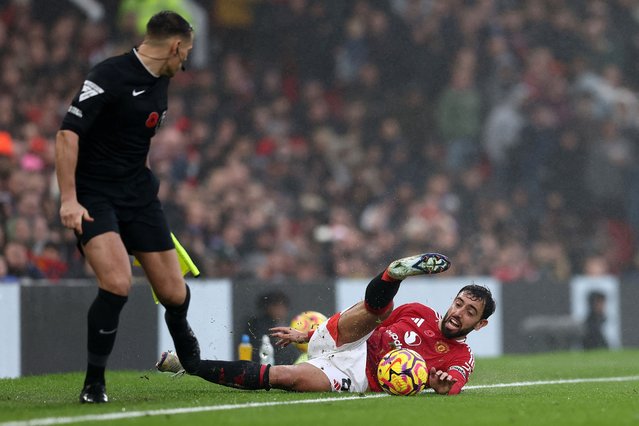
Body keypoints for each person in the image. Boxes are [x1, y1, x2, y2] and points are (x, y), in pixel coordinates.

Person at [55, 10, 202, 403]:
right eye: (185, 51)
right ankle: (94, 384)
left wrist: (145, 190)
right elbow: (67, 135)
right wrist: (68, 199)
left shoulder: (160, 81)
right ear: (173, 45)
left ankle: (187, 346)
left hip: (138, 196)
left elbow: (136, 142)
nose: (185, 61)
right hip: (93, 196)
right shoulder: (109, 75)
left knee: (174, 292)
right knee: (117, 284)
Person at [157, 252, 496, 395]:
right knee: (376, 311)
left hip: (359, 375)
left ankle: (191, 365)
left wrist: (438, 386)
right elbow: (365, 322)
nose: (458, 312)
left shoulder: (462, 358)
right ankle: (392, 274)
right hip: (354, 339)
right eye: (459, 303)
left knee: (284, 377)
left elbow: (451, 384)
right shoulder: (418, 311)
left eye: (469, 312)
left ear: (478, 325)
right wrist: (307, 335)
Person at [244, 290, 298, 365]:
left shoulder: (288, 326)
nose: (280, 310)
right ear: (268, 308)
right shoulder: (257, 327)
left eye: (283, 306)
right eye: (276, 306)